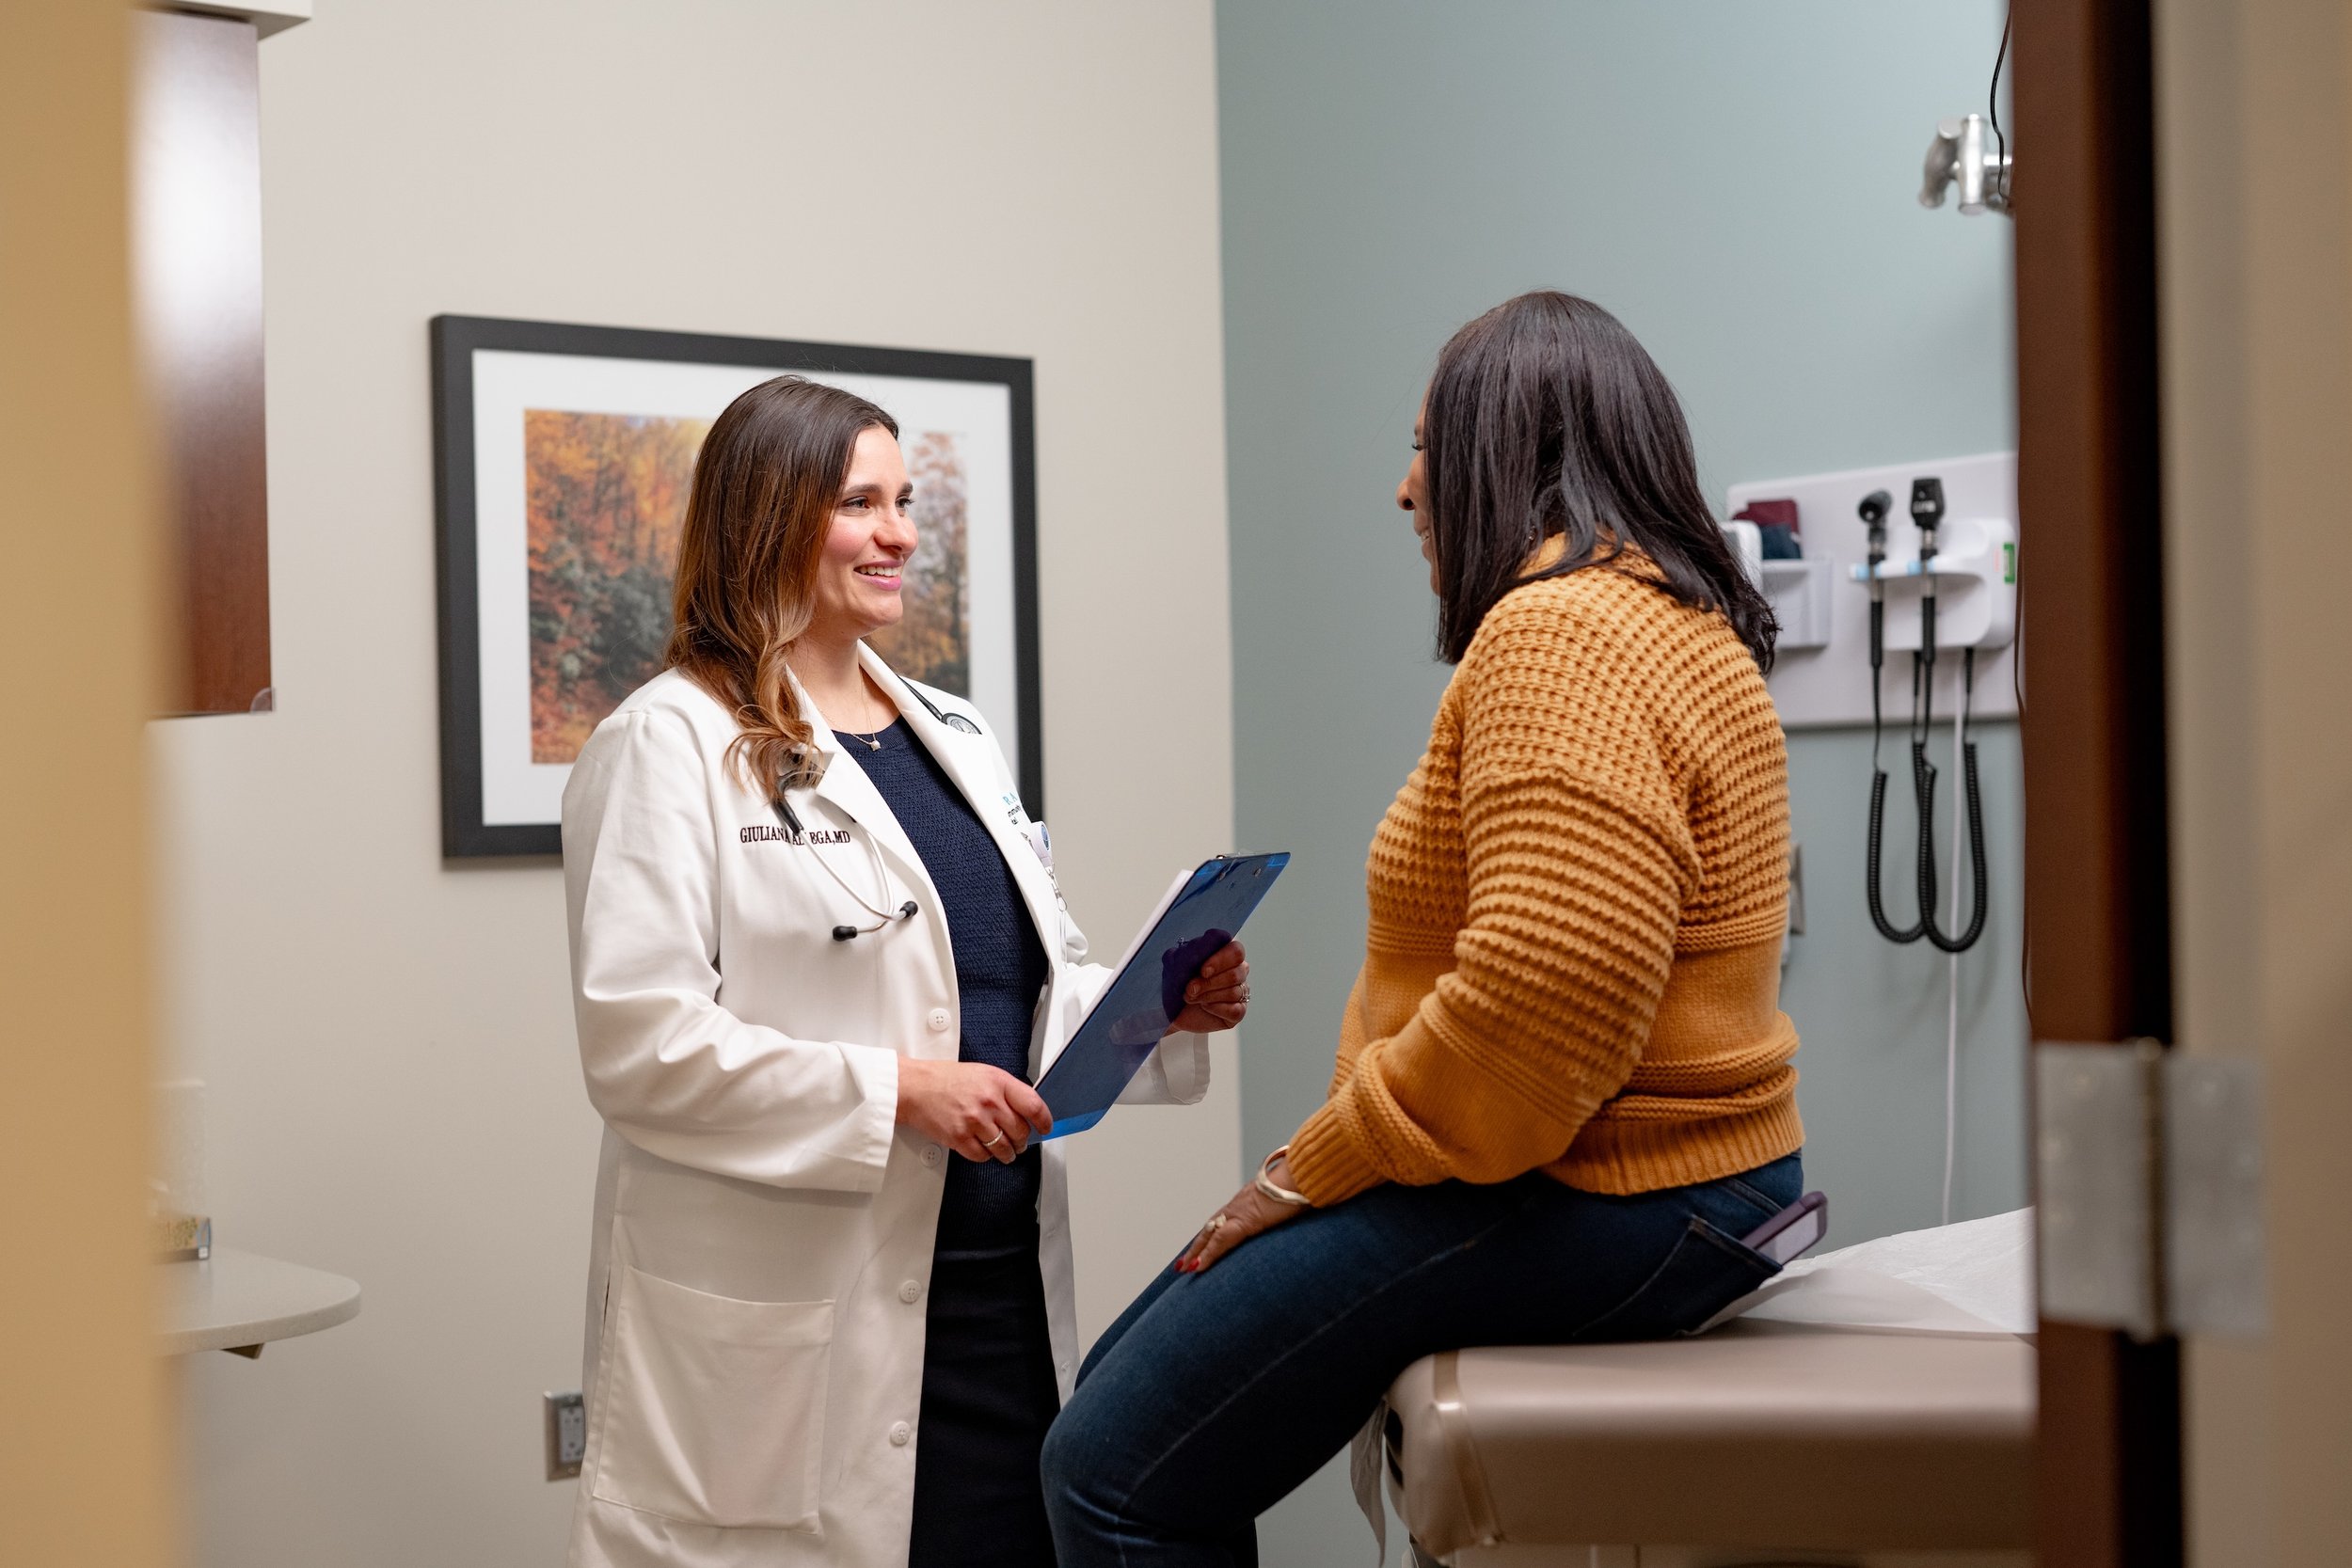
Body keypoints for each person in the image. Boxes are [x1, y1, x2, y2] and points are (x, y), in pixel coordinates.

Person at [1042, 291, 1804, 1566]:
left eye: (1422, 446)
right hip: (1684, 1173)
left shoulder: (1561, 631)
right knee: (1127, 1419)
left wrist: (1305, 1167)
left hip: (1608, 1181)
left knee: (1111, 1471)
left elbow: (1535, 1007)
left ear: (1502, 453)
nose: (1406, 492)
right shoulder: (1676, 618)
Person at [559, 375, 1248, 1568]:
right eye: (860, 503)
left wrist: (1156, 1005)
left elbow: (1020, 987)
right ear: (766, 517)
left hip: (996, 1303)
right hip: (803, 1318)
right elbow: (641, 1042)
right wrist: (897, 1091)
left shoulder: (955, 734)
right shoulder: (664, 742)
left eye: (906, 500)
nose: (900, 533)